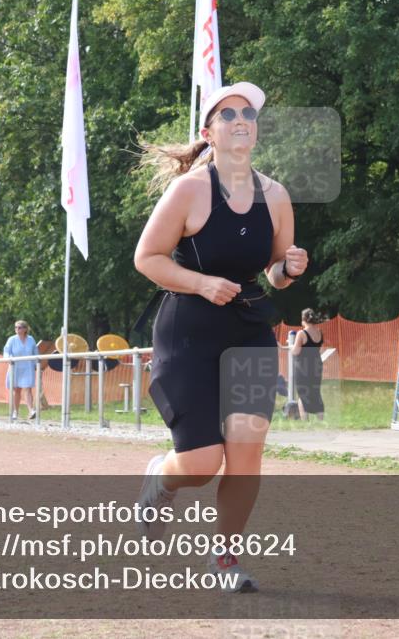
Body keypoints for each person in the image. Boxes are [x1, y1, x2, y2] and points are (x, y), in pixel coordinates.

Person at [134, 82, 307, 593]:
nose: (240, 120)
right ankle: (159, 481)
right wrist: (201, 283)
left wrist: (289, 269)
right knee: (202, 464)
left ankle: (225, 562)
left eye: (248, 114)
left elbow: (272, 274)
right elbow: (148, 259)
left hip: (248, 330)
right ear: (208, 133)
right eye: (227, 114)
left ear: (254, 130)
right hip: (187, 331)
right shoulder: (188, 190)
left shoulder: (275, 196)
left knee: (248, 450)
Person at [291, 308, 325, 420]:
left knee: (302, 393)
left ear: (303, 319)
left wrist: (290, 346)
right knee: (315, 392)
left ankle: (305, 421)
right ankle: (321, 420)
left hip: (303, 367)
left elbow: (296, 351)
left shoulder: (302, 333)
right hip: (316, 365)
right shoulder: (319, 332)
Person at [3, 320, 39, 421]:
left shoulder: (31, 339)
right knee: (16, 390)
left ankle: (31, 410)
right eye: (16, 327)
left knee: (28, 389)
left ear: (25, 329)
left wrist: (37, 364)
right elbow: (6, 351)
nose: (17, 329)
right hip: (15, 367)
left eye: (19, 327)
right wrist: (8, 359)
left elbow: (35, 352)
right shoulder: (11, 339)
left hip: (28, 367)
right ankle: (15, 412)